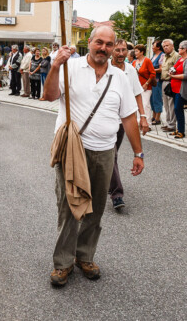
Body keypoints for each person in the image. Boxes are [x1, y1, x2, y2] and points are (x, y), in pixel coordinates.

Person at [43, 27, 144, 286]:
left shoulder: (120, 76)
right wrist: (55, 66)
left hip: (105, 151)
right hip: (72, 150)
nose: (104, 48)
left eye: (109, 44)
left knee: (95, 209)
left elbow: (129, 117)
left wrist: (138, 152)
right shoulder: (70, 67)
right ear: (89, 42)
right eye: (99, 42)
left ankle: (84, 256)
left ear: (114, 48)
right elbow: (50, 96)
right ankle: (63, 263)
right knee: (68, 209)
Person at [109, 39, 149, 209]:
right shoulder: (104, 68)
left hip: (123, 121)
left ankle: (105, 180)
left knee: (112, 154)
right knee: (111, 155)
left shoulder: (131, 70)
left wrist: (143, 116)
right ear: (111, 50)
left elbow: (137, 94)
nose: (120, 53)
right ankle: (117, 194)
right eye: (117, 50)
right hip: (105, 120)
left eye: (124, 50)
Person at [133, 44, 156, 128]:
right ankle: (140, 122)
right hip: (137, 87)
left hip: (145, 87)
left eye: (136, 51)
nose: (135, 53)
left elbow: (153, 73)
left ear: (142, 52)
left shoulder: (147, 60)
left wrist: (147, 83)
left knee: (145, 104)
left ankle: (148, 124)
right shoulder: (135, 62)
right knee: (138, 105)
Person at [168, 40, 187, 139]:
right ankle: (178, 129)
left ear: (185, 49)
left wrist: (174, 77)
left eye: (180, 48)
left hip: (181, 89)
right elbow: (173, 68)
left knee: (178, 108)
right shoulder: (180, 59)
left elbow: (186, 75)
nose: (178, 49)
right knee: (176, 109)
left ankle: (181, 131)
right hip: (174, 88)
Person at [160, 39, 179, 132]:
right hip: (164, 81)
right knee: (166, 104)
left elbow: (177, 69)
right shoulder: (165, 56)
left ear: (172, 46)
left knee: (171, 104)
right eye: (164, 46)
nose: (165, 47)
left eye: (167, 45)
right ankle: (168, 123)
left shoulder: (176, 56)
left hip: (171, 82)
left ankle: (172, 125)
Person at [150, 40, 164, 125]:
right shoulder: (154, 55)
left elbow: (161, 69)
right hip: (152, 80)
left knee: (157, 98)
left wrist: (151, 70)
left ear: (158, 47)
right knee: (152, 99)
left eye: (153, 45)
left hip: (158, 81)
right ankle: (154, 115)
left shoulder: (162, 55)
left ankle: (158, 118)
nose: (152, 47)